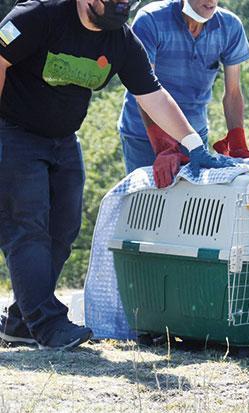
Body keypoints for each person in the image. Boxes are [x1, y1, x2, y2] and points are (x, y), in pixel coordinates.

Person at [0, 0, 232, 350]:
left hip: (63, 140)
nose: (120, 4)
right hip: (14, 132)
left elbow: (152, 94)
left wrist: (193, 146)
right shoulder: (36, 17)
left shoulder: (121, 40)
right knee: (28, 225)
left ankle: (20, 321)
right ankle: (47, 326)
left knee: (64, 229)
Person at [118, 0, 249, 188]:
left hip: (195, 135)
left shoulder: (230, 26)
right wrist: (163, 146)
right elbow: (143, 89)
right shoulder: (150, 20)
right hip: (144, 136)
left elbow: (233, 93)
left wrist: (237, 140)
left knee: (191, 209)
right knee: (148, 207)